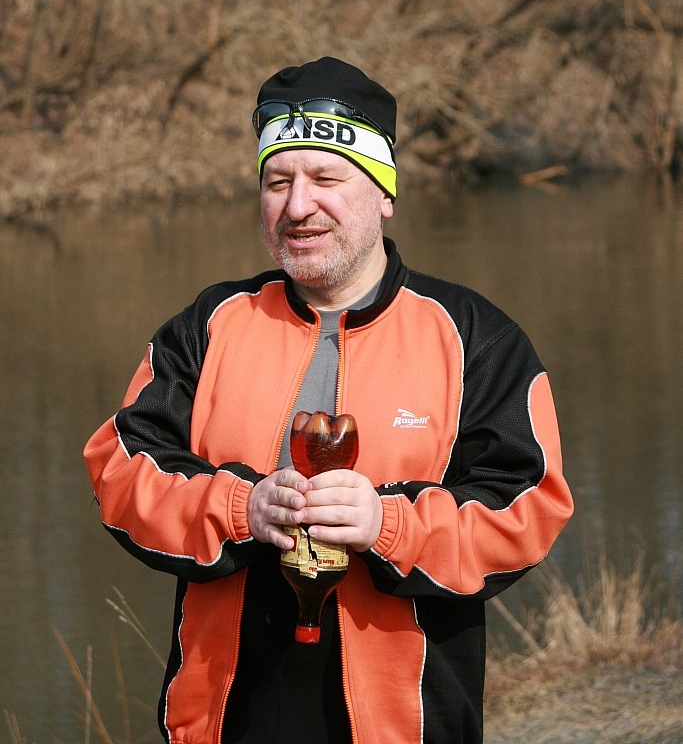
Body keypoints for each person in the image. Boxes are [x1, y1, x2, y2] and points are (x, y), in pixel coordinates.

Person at [84, 56, 573, 744]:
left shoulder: (474, 337)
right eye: (277, 181)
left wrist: (387, 525)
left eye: (326, 178)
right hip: (224, 720)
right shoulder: (208, 325)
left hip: (408, 724)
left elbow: (528, 507)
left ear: (384, 192)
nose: (297, 205)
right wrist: (241, 509)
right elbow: (120, 471)